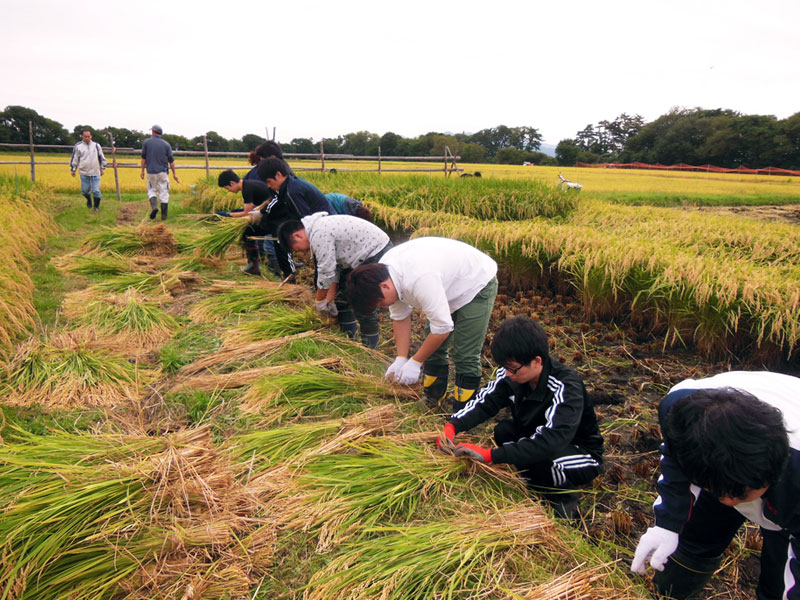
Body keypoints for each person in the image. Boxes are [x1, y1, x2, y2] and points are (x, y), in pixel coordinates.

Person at [630, 371, 800, 600]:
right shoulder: (682, 413)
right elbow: (676, 457)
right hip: (723, 450)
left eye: (740, 495)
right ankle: (668, 594)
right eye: (721, 493)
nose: (729, 502)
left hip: (791, 480)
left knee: (778, 581)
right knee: (696, 540)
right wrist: (667, 524)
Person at [436, 315, 604, 519]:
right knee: (503, 431)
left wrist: (491, 455)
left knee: (544, 460)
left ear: (537, 361)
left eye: (513, 369)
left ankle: (561, 499)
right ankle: (533, 475)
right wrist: (453, 426)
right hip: (537, 437)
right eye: (505, 367)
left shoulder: (565, 386)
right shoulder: (511, 374)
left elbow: (552, 441)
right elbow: (485, 402)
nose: (507, 374)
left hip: (578, 452)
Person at [346, 237, 498, 411]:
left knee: (465, 354)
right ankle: (433, 400)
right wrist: (401, 358)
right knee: (432, 349)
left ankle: (463, 413)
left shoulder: (418, 279)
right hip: (444, 284)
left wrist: (415, 362)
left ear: (385, 286)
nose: (383, 306)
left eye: (380, 303)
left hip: (475, 282)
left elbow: (442, 329)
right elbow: (400, 317)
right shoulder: (383, 276)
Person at [277, 213, 392, 348]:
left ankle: (370, 349)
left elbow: (326, 270)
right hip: (356, 257)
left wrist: (319, 300)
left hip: (375, 252)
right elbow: (335, 266)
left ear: (297, 236)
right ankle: (349, 341)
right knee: (341, 298)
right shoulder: (317, 229)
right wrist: (330, 298)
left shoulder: (319, 233)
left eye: (296, 249)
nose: (300, 252)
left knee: (362, 301)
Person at [217, 169, 292, 277]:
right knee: (248, 233)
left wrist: (228, 215)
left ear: (232, 183)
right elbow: (252, 210)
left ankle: (284, 275)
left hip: (275, 219)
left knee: (278, 247)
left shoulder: (247, 189)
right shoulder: (249, 185)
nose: (228, 190)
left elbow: (247, 212)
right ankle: (254, 266)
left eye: (227, 188)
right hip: (270, 216)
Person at [140, 125, 179, 220]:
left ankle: (154, 207)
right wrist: (174, 174)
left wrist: (142, 171)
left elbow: (143, 158)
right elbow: (171, 161)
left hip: (151, 172)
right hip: (163, 172)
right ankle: (164, 217)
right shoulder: (166, 144)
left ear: (153, 132)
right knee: (164, 192)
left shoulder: (146, 142)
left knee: (151, 190)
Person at [70, 129, 107, 212]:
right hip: (84, 172)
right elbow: (75, 158)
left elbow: (102, 157)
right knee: (84, 191)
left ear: (91, 136)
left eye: (89, 136)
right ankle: (89, 199)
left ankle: (96, 208)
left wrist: (102, 168)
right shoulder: (78, 146)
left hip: (96, 172)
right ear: (82, 136)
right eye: (85, 136)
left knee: (96, 191)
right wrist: (73, 170)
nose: (87, 138)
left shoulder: (96, 145)